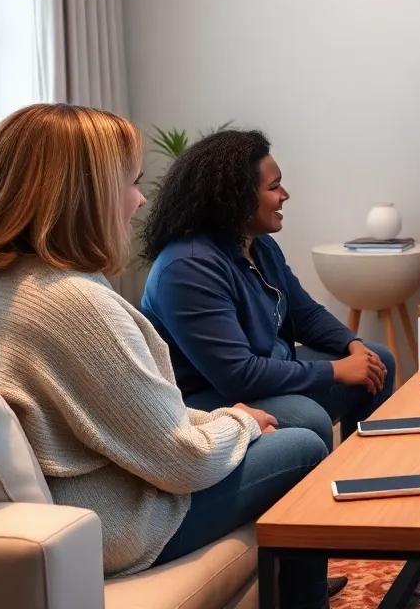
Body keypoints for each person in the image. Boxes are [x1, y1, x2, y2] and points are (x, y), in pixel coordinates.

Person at [0, 105, 333, 607]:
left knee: (286, 421)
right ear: (85, 195)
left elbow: (119, 415)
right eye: (130, 183)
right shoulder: (71, 302)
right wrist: (241, 424)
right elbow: (181, 460)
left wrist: (224, 418)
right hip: (112, 524)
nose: (140, 199)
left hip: (52, 511)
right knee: (303, 446)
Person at [141, 129, 393, 454]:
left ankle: (367, 474)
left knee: (377, 360)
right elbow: (238, 375)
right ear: (234, 198)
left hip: (260, 372)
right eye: (274, 187)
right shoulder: (187, 268)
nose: (285, 194)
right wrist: (336, 370)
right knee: (309, 418)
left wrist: (353, 346)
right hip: (206, 399)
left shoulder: (260, 246)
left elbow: (306, 314)